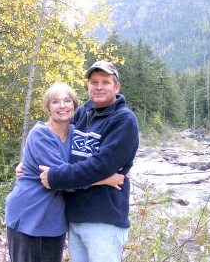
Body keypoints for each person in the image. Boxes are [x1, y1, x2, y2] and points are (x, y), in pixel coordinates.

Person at [5, 82, 125, 262]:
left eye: (67, 101)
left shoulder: (76, 134)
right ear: (47, 107)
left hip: (54, 221)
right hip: (29, 214)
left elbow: (92, 163)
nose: (62, 106)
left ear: (75, 106)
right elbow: (63, 178)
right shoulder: (40, 134)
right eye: (55, 102)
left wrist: (121, 166)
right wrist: (106, 179)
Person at [39, 61, 139, 262]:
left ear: (116, 87)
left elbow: (99, 166)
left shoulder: (124, 120)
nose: (99, 86)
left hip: (104, 220)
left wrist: (55, 177)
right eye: (94, 82)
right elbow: (58, 147)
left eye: (105, 82)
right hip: (74, 216)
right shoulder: (82, 113)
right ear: (87, 86)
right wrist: (29, 164)